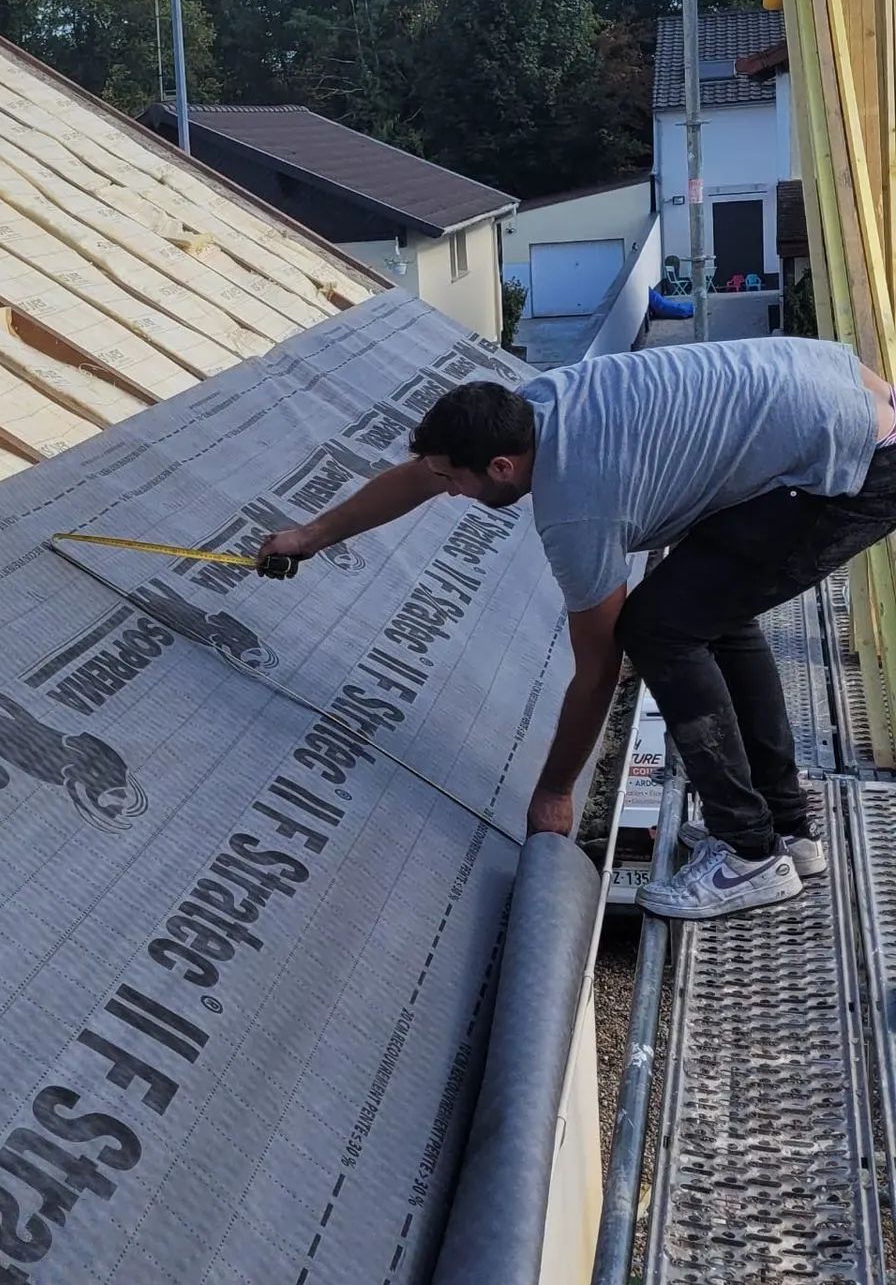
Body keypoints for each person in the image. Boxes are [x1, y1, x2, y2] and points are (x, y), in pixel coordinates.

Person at [259, 338, 896, 922]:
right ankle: (786, 831)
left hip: (856, 470)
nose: (448, 493)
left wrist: (555, 792)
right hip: (842, 388)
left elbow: (599, 670)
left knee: (660, 630)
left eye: (456, 480)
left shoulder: (577, 508)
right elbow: (420, 475)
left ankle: (750, 856)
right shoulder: (534, 403)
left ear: (502, 467)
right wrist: (309, 536)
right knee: (710, 613)